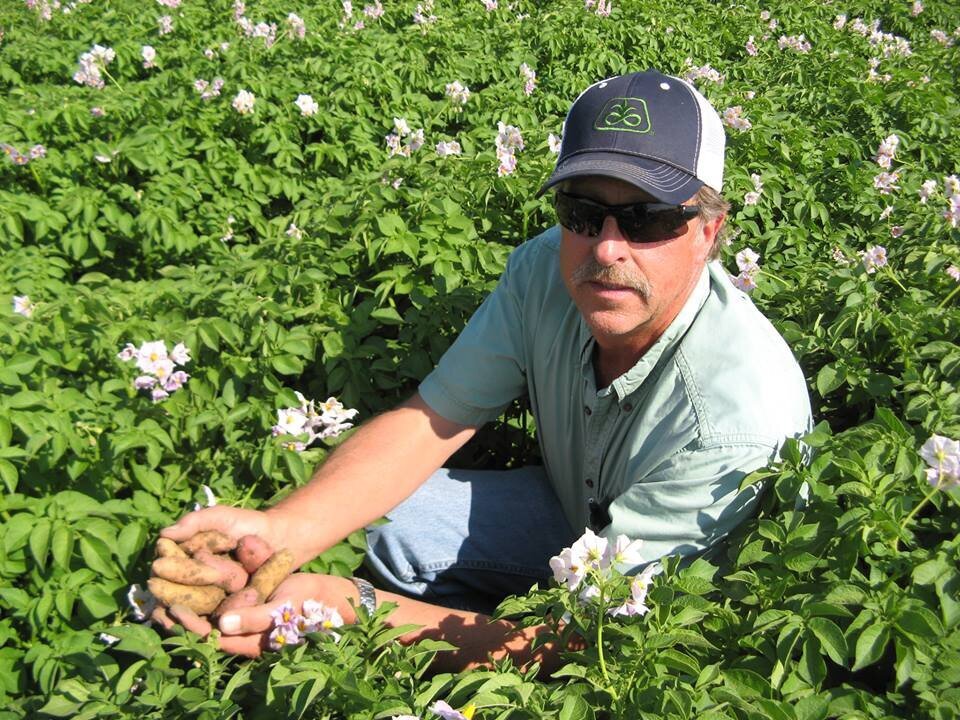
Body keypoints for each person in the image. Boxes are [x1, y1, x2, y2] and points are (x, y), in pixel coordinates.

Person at [153, 69, 812, 672]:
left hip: (664, 604)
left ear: (710, 232)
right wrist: (281, 534)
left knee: (588, 660)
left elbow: (593, 639)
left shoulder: (734, 422)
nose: (607, 247)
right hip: (570, 511)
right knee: (393, 523)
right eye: (583, 212)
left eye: (649, 219)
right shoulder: (544, 271)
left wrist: (347, 610)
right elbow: (432, 419)